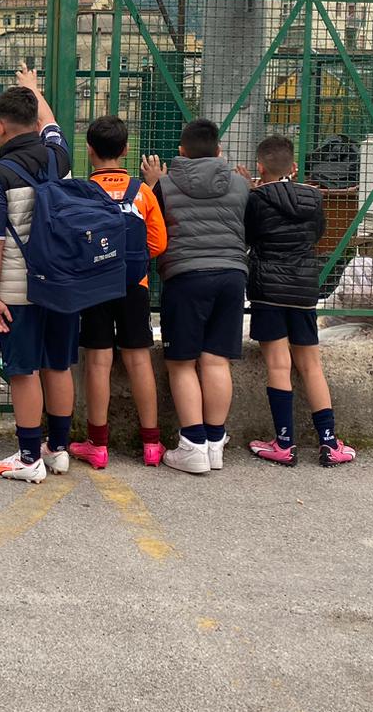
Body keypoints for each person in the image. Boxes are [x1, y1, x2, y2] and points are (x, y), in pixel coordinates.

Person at [0, 67, 79, 483]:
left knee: (23, 369)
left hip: (18, 291)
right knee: (58, 365)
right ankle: (57, 450)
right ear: (34, 121)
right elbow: (51, 123)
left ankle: (27, 456)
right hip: (64, 285)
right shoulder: (59, 155)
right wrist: (35, 89)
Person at [141, 118, 251, 475]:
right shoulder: (239, 184)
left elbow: (154, 226)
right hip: (232, 274)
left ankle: (192, 443)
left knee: (182, 362)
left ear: (181, 152)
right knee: (217, 360)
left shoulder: (166, 185)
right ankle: (216, 441)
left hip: (186, 275)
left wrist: (153, 184)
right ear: (219, 151)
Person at [243, 134, 356, 467]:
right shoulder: (314, 198)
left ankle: (284, 442)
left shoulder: (256, 199)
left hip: (268, 290)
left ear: (259, 166)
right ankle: (329, 442)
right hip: (304, 287)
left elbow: (249, 237)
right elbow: (317, 235)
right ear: (293, 167)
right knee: (311, 365)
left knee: (279, 365)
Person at [69, 115, 169, 469]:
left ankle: (97, 444)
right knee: (138, 359)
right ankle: (152, 443)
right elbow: (157, 244)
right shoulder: (141, 192)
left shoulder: (82, 193)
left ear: (90, 150)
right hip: (134, 285)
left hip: (95, 285)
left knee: (98, 362)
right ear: (126, 150)